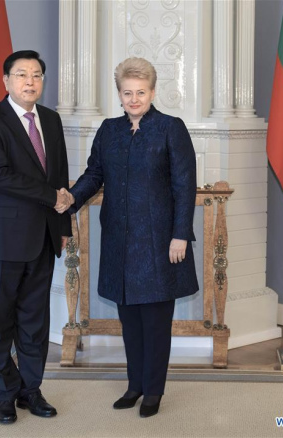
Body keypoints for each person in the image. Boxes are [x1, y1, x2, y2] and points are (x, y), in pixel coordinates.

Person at [60, 57, 198, 418]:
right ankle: (134, 385)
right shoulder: (109, 130)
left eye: (141, 92)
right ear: (119, 94)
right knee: (130, 323)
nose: (134, 99)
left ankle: (153, 392)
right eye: (127, 93)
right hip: (119, 243)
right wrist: (72, 198)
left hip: (159, 244)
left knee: (154, 322)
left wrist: (180, 235)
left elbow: (185, 187)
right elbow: (94, 175)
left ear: (152, 92)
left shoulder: (171, 128)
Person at [0, 50, 72, 425]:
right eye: (22, 74)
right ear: (6, 81)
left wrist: (62, 227)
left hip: (43, 237)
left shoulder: (51, 119)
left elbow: (59, 174)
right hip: (0, 239)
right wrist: (53, 197)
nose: (30, 81)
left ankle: (32, 390)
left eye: (37, 75)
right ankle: (5, 393)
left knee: (35, 322)